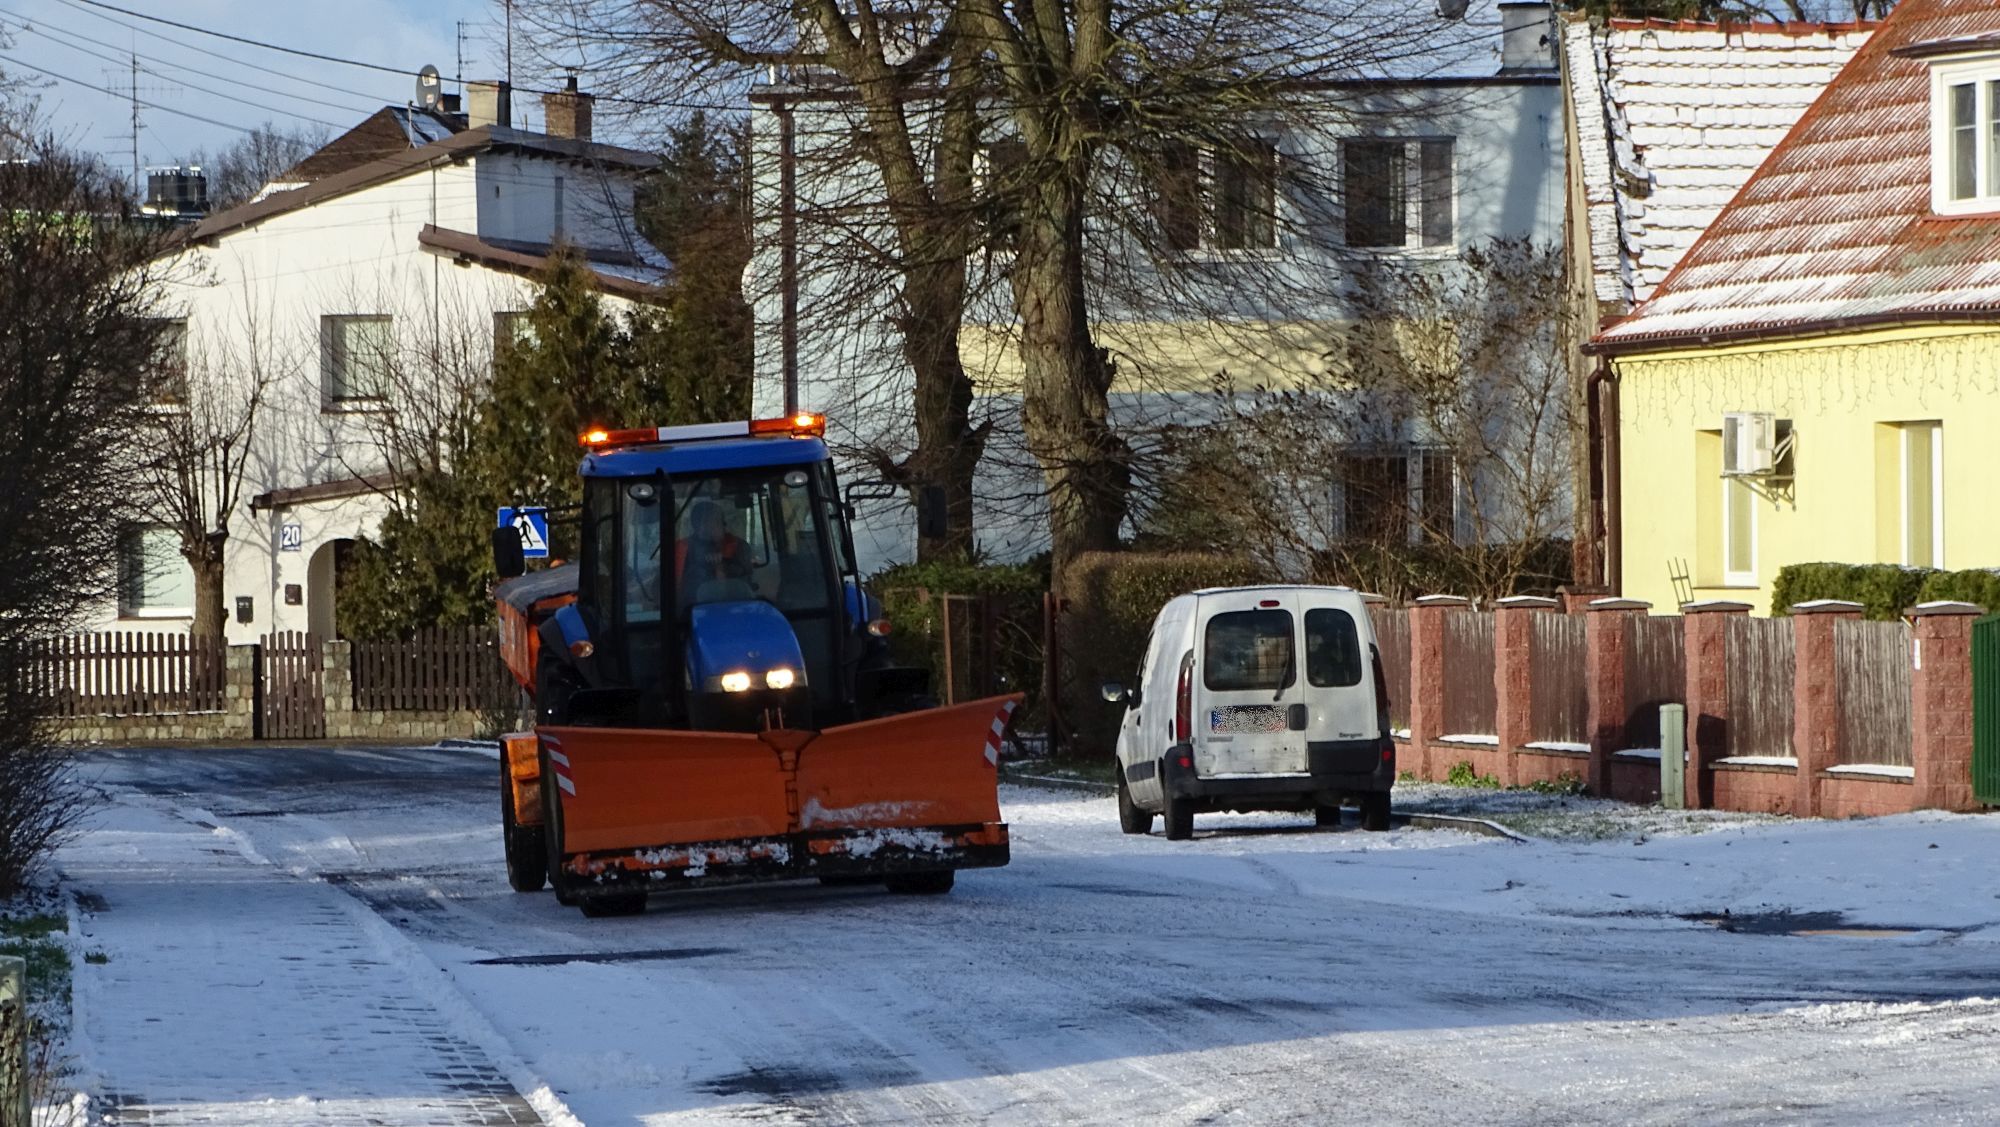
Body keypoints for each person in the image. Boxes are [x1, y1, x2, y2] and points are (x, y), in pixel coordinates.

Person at [674, 500, 747, 595]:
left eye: (719, 521)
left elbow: (746, 582)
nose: (722, 526)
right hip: (689, 605)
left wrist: (720, 568)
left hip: (733, 604)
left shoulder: (738, 546)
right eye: (712, 521)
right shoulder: (681, 548)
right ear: (696, 524)